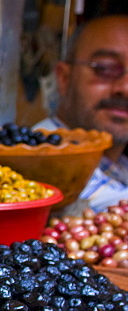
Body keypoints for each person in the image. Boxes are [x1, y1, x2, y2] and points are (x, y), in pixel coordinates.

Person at [35, 14, 128, 211]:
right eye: (105, 68)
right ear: (64, 78)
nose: (125, 88)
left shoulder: (117, 165)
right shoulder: (40, 158)